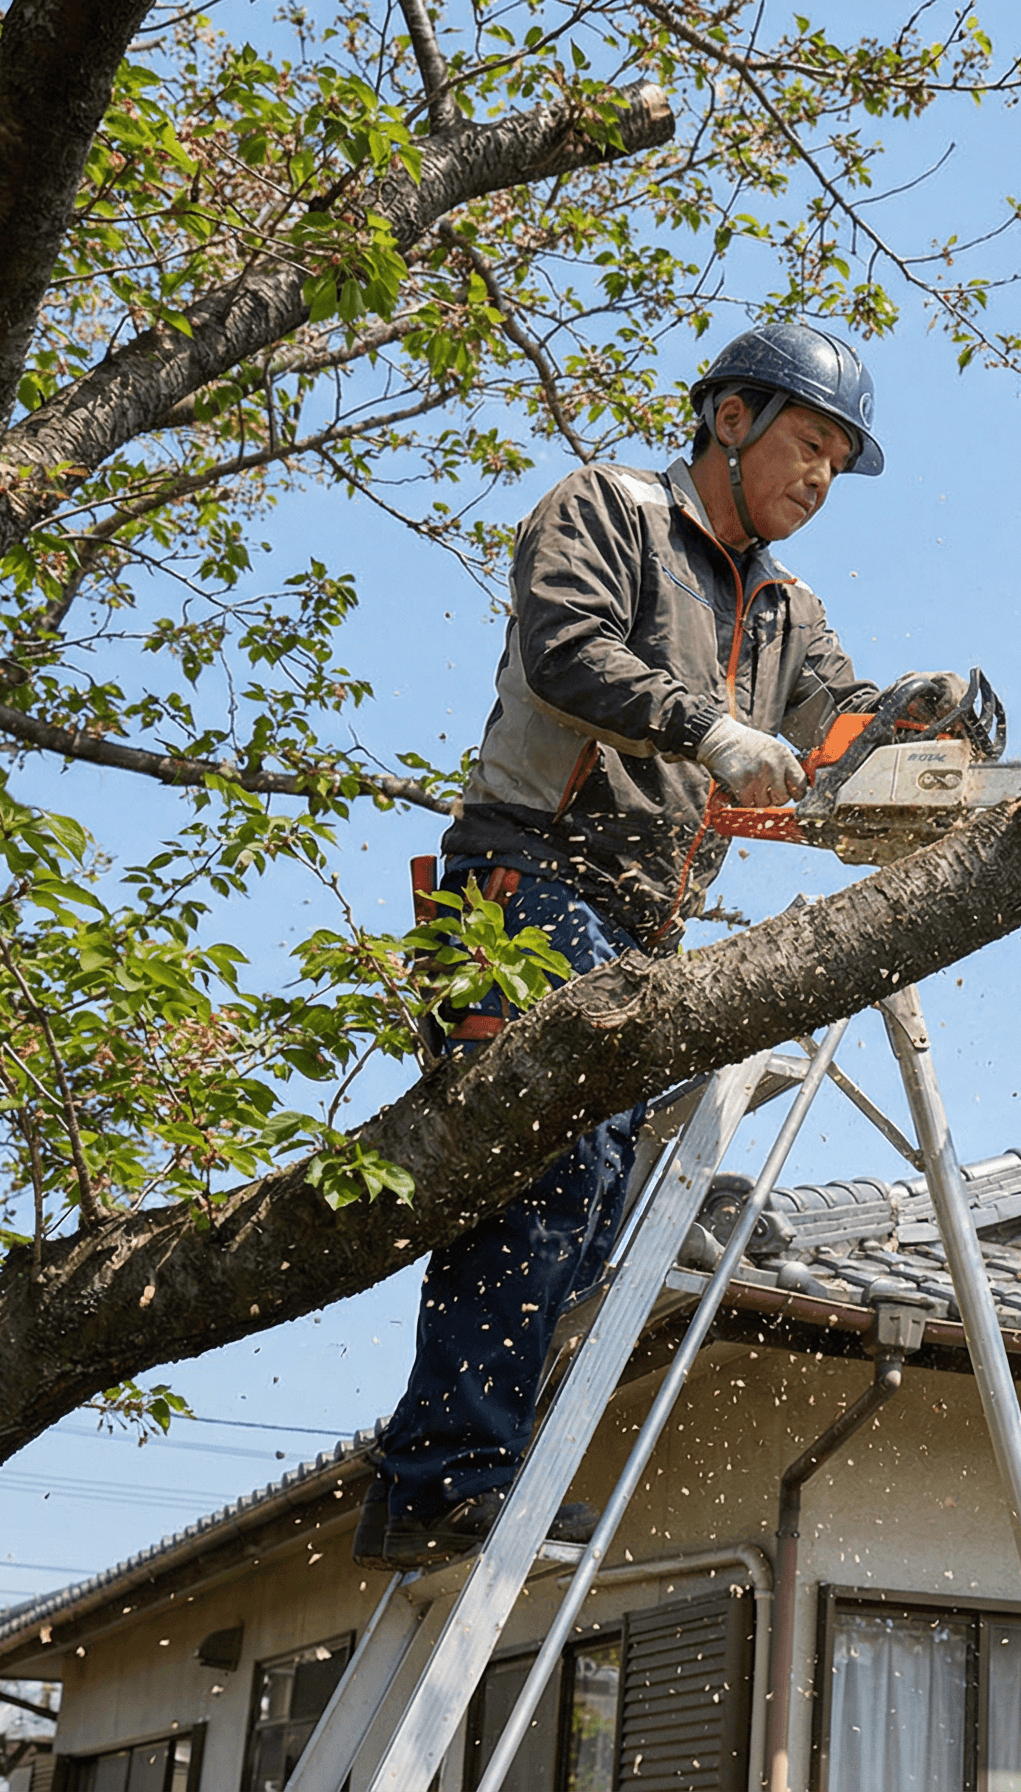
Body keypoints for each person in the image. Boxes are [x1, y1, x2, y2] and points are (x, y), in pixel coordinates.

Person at [354, 321, 961, 1569]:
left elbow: (833, 727)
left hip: (641, 924)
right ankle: (443, 1475)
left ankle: (468, 1462)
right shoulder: (612, 510)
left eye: (838, 463)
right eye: (808, 444)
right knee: (545, 1169)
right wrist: (706, 727)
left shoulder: (787, 607)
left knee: (596, 1209)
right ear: (732, 418)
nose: (819, 478)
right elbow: (567, 651)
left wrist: (912, 722)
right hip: (524, 876)